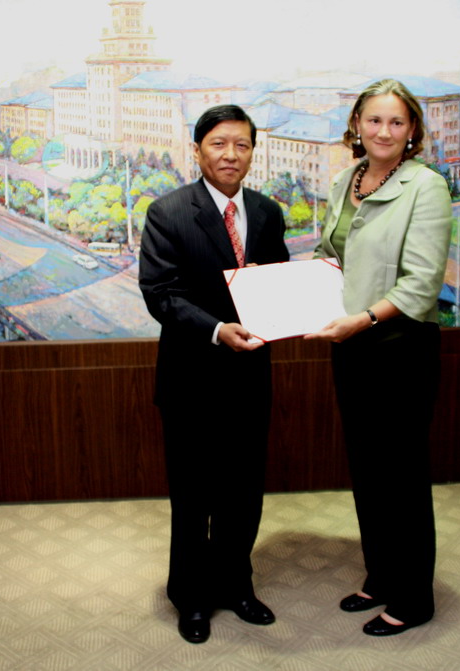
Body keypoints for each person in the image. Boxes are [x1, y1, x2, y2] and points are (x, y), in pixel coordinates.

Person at [305, 79, 452, 636]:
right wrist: (295, 292)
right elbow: (329, 253)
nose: (384, 131)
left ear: (412, 129)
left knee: (402, 474)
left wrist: (362, 319)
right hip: (352, 346)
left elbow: (421, 283)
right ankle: (382, 574)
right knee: (367, 468)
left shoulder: (426, 187)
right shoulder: (345, 180)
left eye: (396, 122)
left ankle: (414, 599)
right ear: (357, 124)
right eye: (374, 120)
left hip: (400, 348)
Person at [139, 104, 289, 644]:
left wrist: (286, 299)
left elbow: (277, 281)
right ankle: (192, 597)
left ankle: (236, 585)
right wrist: (218, 329)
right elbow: (160, 294)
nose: (231, 155)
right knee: (193, 496)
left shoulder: (268, 212)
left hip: (250, 378)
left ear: (252, 152)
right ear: (197, 150)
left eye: (242, 145)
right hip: (192, 379)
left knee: (244, 493)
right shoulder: (168, 212)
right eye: (219, 144)